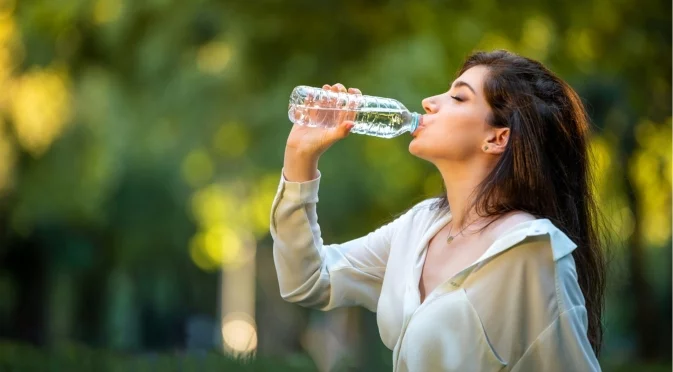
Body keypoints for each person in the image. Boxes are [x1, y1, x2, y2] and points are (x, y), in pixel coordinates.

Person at [270, 49, 605, 371]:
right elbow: (308, 280)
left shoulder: (531, 250)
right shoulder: (420, 225)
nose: (429, 103)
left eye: (458, 97)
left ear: (497, 138)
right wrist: (300, 157)